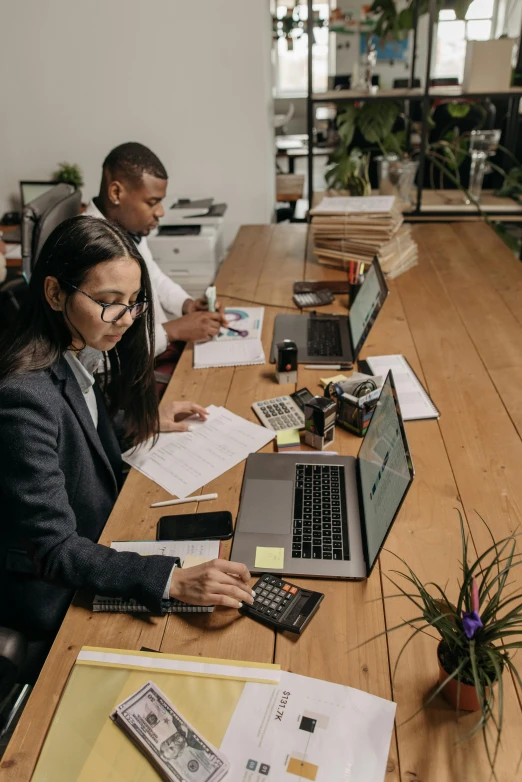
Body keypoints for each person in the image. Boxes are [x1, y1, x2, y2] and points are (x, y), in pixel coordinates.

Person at [0, 216, 253, 679]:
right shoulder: (23, 396)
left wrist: (141, 421)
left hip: (99, 536)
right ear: (55, 293)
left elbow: (79, 430)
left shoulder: (74, 347)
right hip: (54, 588)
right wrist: (171, 579)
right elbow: (55, 549)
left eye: (134, 303)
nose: (127, 319)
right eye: (109, 303)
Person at [84, 142, 227, 385]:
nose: (160, 212)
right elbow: (96, 357)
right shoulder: (90, 251)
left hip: (157, 348)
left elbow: (155, 277)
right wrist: (174, 330)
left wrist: (187, 304)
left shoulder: (126, 229)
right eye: (152, 202)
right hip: (130, 377)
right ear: (116, 193)